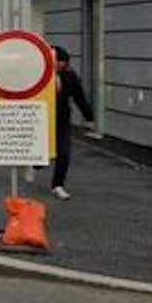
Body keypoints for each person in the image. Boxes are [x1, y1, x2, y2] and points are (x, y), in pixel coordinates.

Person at [50, 45, 96, 200]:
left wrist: (89, 117)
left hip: (62, 119)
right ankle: (36, 165)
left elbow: (79, 97)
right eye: (55, 60)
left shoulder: (70, 76)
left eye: (60, 61)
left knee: (64, 153)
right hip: (41, 119)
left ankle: (58, 185)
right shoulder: (38, 74)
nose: (57, 64)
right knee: (41, 151)